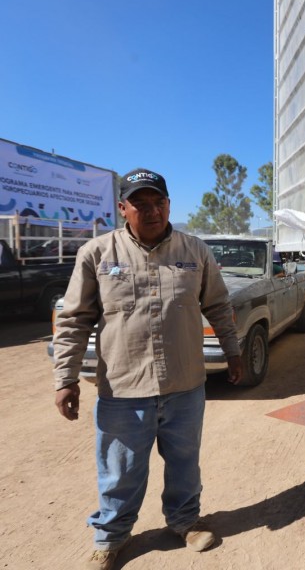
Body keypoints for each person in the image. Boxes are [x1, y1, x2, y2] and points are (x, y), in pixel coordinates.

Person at [52, 169, 244, 570]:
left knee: (184, 462)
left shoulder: (195, 251)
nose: (152, 210)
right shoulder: (98, 254)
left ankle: (186, 521)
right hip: (123, 389)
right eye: (140, 203)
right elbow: (74, 320)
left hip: (185, 383)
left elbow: (219, 306)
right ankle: (111, 537)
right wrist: (65, 379)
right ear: (123, 208)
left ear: (169, 205)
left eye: (159, 202)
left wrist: (234, 351)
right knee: (119, 470)